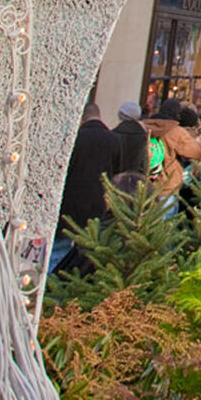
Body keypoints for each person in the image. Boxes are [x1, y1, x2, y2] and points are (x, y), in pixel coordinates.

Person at [51, 103, 122, 273]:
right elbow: (117, 173)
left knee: (59, 251)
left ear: (82, 119)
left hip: (70, 201)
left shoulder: (75, 138)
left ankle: (52, 281)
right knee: (88, 252)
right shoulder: (114, 140)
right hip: (98, 202)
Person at [143, 101, 201, 198]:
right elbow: (196, 151)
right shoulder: (175, 131)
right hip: (166, 187)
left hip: (144, 185)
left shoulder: (145, 126)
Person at [111, 100, 150, 177]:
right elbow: (144, 163)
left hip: (115, 177)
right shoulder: (142, 136)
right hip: (136, 178)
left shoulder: (114, 134)